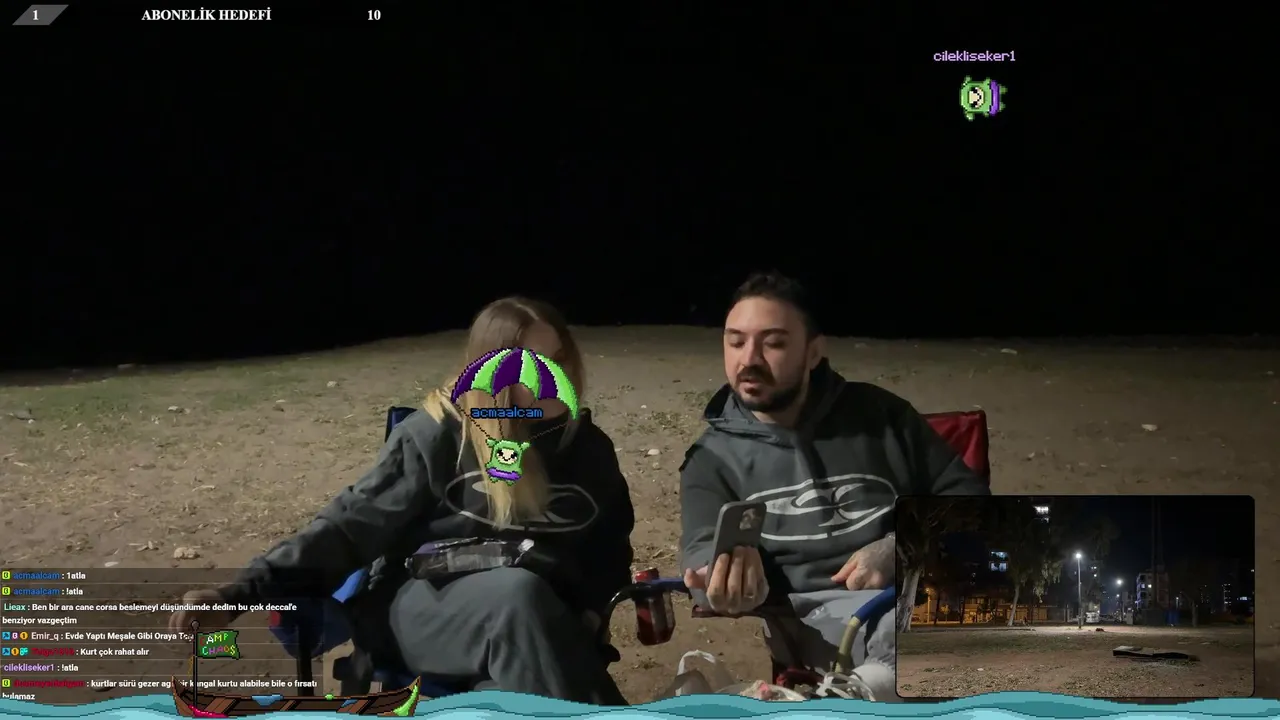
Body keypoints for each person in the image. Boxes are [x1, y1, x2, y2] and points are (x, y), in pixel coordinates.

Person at [169, 297, 634, 705]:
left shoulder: (588, 449)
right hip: (422, 607)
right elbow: (348, 529)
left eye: (560, 358)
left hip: (537, 621)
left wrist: (592, 611)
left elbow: (609, 547)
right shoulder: (438, 435)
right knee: (515, 595)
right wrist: (238, 593)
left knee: (511, 684)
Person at [679, 272, 990, 700]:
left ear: (813, 353)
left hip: (915, 592)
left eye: (773, 343)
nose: (748, 359)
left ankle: (840, 699)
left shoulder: (882, 418)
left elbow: (968, 499)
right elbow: (700, 549)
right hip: (812, 619)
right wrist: (720, 578)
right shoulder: (712, 459)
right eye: (735, 342)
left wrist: (899, 548)